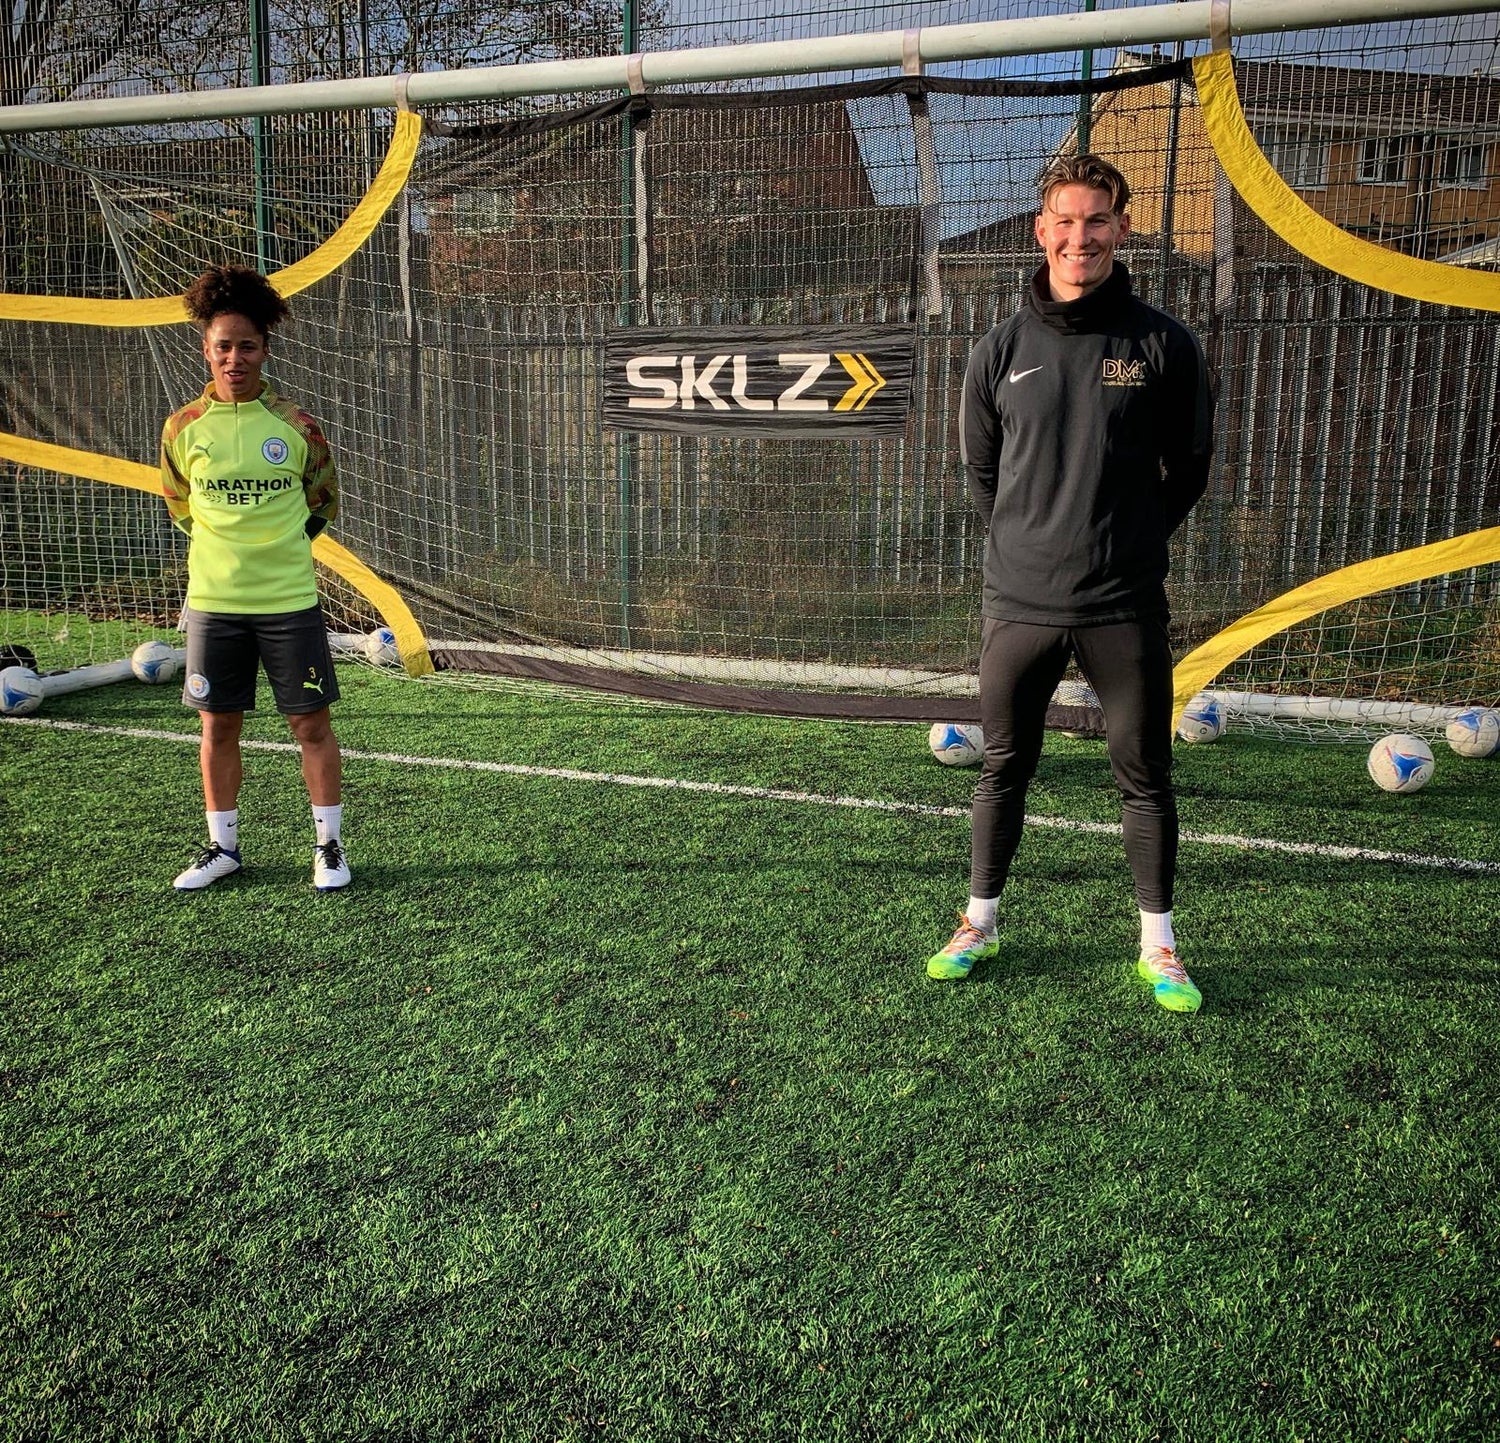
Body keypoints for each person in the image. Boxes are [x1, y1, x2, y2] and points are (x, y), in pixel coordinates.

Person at [925, 154, 1213, 1012]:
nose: (1079, 237)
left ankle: (1159, 944)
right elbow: (983, 474)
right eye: (1065, 221)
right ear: (1041, 229)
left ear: (1122, 229)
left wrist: (1127, 542)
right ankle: (979, 921)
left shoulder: (1163, 344)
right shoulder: (998, 349)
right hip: (1019, 603)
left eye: (1096, 221)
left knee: (1145, 772)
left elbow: (1190, 467)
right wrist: (1031, 544)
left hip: (1123, 603)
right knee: (1004, 766)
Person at [160, 264, 351, 892]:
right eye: (224, 346)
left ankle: (328, 848)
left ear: (265, 350)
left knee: (310, 726)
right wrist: (226, 553)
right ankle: (223, 849)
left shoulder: (297, 426)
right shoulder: (182, 428)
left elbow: (323, 501)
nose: (234, 358)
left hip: (288, 601)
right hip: (214, 604)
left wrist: (278, 551)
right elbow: (180, 504)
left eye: (246, 346)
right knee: (217, 726)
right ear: (206, 349)